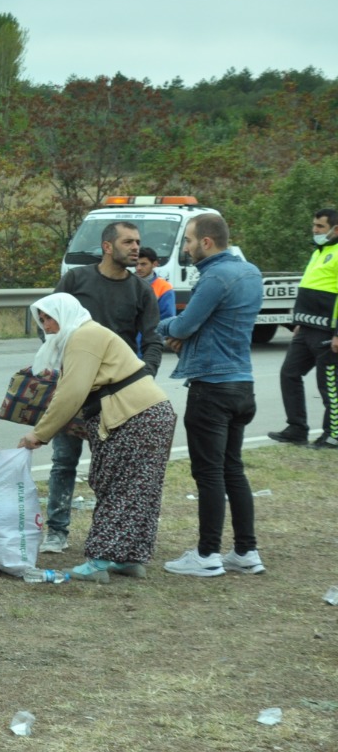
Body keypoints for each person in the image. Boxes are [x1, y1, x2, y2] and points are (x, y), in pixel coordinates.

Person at [16, 293, 175, 581]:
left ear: (64, 314)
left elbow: (72, 392)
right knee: (138, 490)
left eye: (49, 318)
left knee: (114, 486)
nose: (46, 326)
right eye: (41, 320)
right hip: (149, 414)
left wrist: (39, 434)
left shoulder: (83, 337)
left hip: (133, 416)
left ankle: (100, 562)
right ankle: (128, 558)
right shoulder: (86, 334)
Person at [41, 221, 162, 556]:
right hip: (74, 386)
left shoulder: (141, 290)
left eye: (138, 242)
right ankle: (57, 531)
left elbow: (153, 339)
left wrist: (145, 375)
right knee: (64, 461)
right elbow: (48, 321)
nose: (136, 248)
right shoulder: (77, 280)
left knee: (110, 471)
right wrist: (57, 359)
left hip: (116, 398)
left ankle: (105, 538)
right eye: (128, 242)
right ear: (108, 246)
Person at [156, 212, 266, 576]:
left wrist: (166, 327)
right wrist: (186, 334)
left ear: (206, 242)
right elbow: (213, 324)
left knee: (209, 473)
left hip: (212, 388)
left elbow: (185, 324)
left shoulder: (215, 276)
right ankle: (246, 552)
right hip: (242, 384)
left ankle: (207, 555)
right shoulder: (250, 272)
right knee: (233, 469)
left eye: (188, 241)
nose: (185, 248)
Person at [268, 207, 338, 450]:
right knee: (289, 373)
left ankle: (333, 435)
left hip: (328, 331)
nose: (315, 230)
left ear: (335, 229)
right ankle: (297, 429)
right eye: (314, 225)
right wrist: (299, 321)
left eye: (320, 226)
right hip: (306, 327)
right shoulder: (319, 252)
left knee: (328, 383)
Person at [136, 247, 177, 321]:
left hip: (151, 331)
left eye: (143, 264)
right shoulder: (127, 284)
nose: (138, 268)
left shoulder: (164, 287)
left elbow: (167, 319)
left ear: (154, 264)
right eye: (136, 264)